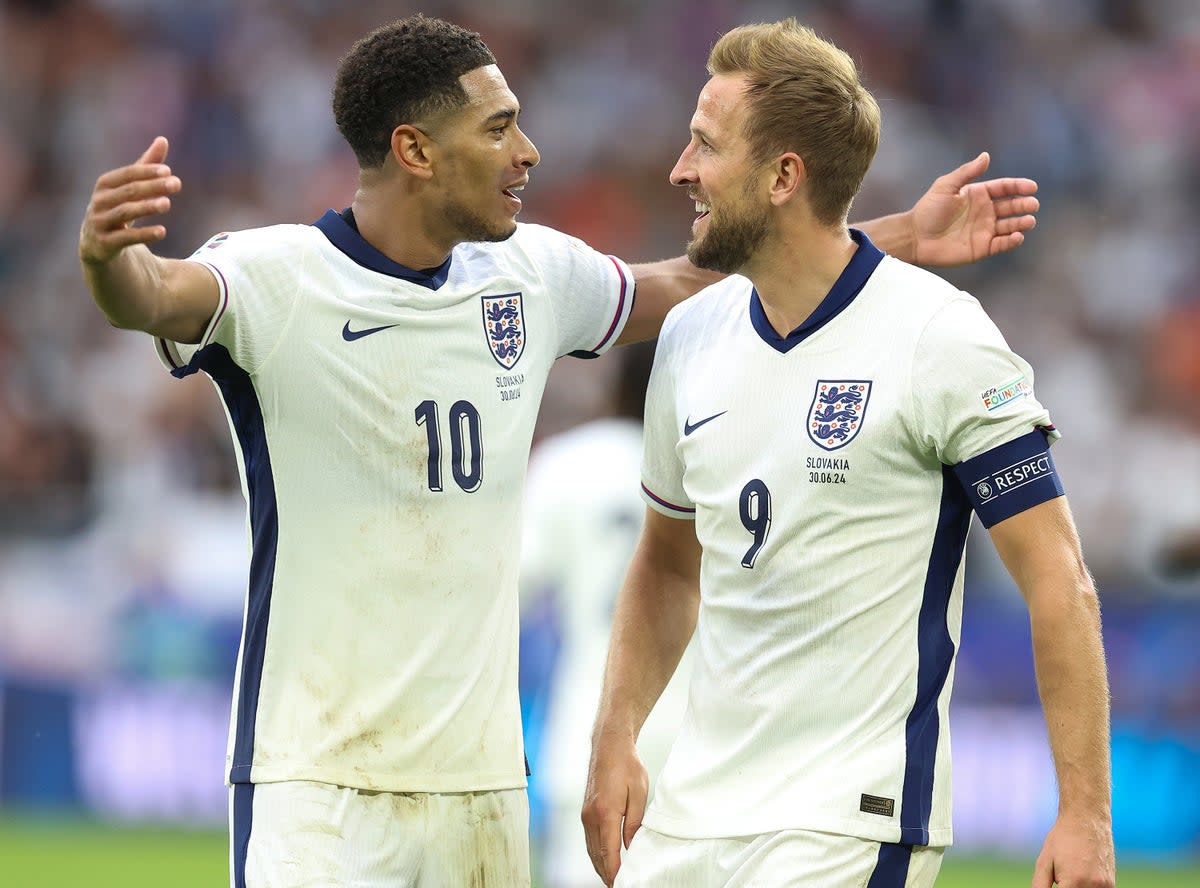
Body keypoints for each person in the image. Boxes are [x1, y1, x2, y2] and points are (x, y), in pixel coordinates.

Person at [77, 13, 1042, 888]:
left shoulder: (530, 273)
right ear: (414, 148)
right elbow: (157, 297)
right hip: (315, 788)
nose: (528, 151)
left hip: (483, 788)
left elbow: (690, 280)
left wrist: (897, 238)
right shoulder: (277, 276)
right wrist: (109, 261)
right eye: (497, 129)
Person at [583, 18, 1113, 888]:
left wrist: (1084, 815)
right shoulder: (689, 337)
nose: (681, 170)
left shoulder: (939, 335)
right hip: (691, 819)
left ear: (784, 175)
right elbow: (669, 565)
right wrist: (615, 739)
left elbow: (1060, 579)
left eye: (705, 146)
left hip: (845, 826)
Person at [521, 341, 695, 888]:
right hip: (707, 737)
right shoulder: (728, 455)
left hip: (593, 735)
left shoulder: (570, 462)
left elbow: (508, 595)